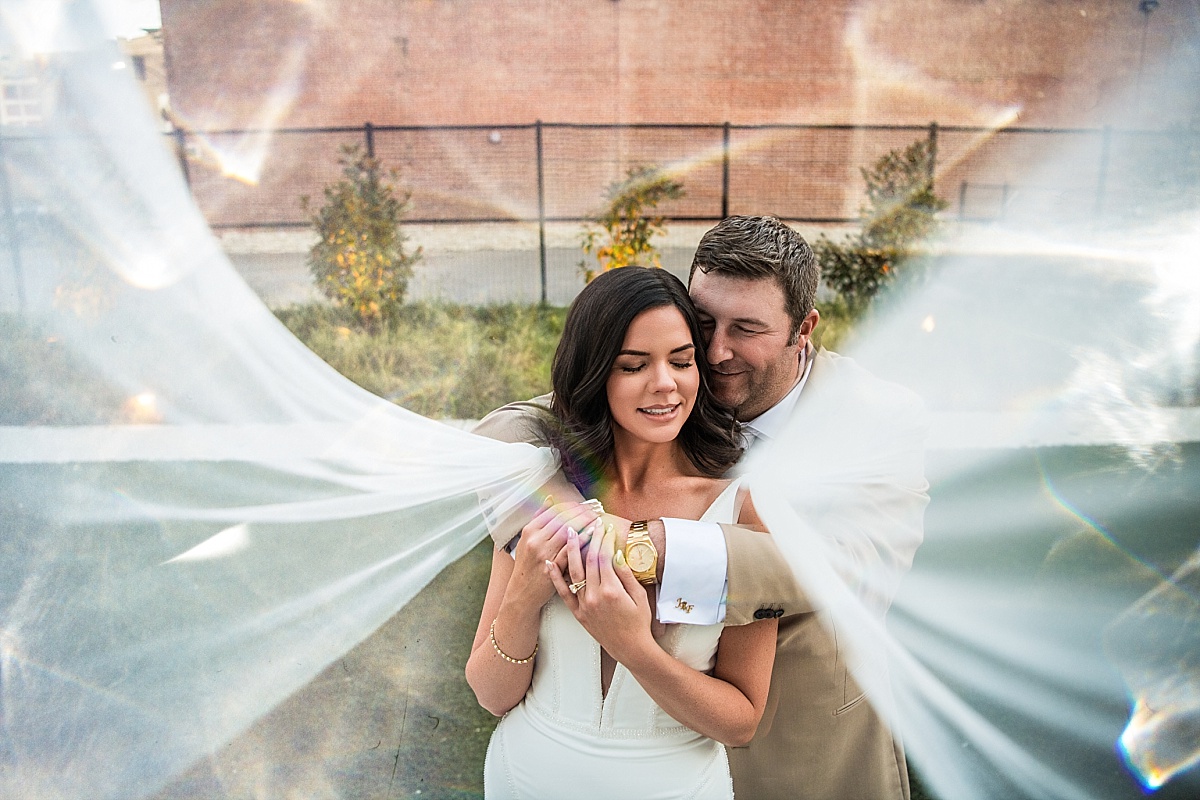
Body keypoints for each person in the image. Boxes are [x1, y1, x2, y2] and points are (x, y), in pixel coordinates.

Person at [474, 215, 929, 799]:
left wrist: (639, 544)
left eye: (746, 328)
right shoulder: (677, 385)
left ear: (804, 329)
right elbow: (508, 430)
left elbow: (854, 567)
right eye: (705, 322)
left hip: (798, 751)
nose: (716, 352)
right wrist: (564, 519)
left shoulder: (876, 417)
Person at [465, 267, 780, 798]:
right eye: (633, 366)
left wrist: (634, 647)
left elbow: (740, 721)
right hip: (525, 778)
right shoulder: (549, 488)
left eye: (682, 362)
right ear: (594, 375)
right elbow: (491, 694)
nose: (665, 383)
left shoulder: (740, 506)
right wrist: (522, 596)